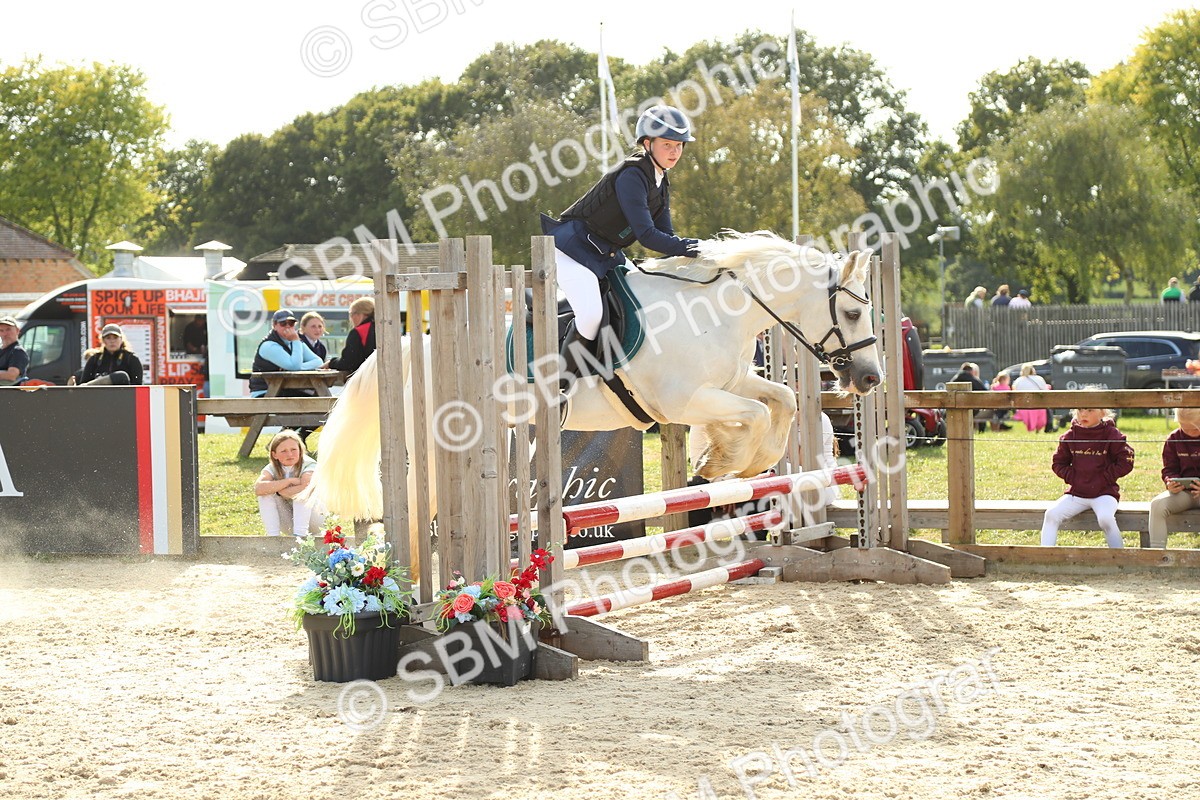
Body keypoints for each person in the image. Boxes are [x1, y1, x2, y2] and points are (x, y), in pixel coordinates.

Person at [540, 104, 701, 381]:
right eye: (667, 145)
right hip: (572, 250)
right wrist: (691, 246)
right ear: (647, 144)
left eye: (679, 145)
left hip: (605, 254)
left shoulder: (660, 180)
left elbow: (667, 236)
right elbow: (647, 235)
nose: (675, 152)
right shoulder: (633, 175)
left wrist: (693, 251)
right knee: (590, 317)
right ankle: (559, 387)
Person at [1039, 407, 1134, 548]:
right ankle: (1044, 557)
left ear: (1102, 412)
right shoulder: (1070, 436)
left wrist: (1105, 478)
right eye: (1080, 410)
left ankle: (1119, 558)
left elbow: (1126, 461)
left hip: (1105, 494)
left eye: (1090, 410)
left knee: (1105, 518)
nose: (1083, 414)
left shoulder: (1112, 435)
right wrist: (1075, 479)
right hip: (1077, 494)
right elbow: (1058, 463)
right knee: (1051, 514)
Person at [253, 429, 324, 537]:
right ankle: (273, 537)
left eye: (293, 449)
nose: (289, 454)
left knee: (300, 494)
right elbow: (259, 489)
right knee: (265, 495)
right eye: (283, 451)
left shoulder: (309, 464)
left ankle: (300, 536)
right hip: (289, 521)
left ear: (300, 450)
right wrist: (289, 481)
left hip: (314, 520)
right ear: (274, 454)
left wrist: (277, 489)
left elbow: (305, 487)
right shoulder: (272, 468)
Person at [1147, 407, 1200, 548]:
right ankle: (1157, 555)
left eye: (1194, 429)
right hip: (1184, 493)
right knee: (1157, 505)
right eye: (1184, 427)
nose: (1188, 433)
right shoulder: (1174, 439)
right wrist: (1171, 482)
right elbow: (1169, 469)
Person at [250, 309, 323, 396]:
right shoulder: (269, 345)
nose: (288, 326)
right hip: (265, 392)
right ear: (274, 325)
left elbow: (318, 361)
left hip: (285, 389)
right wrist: (295, 341)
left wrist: (299, 367)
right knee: (312, 401)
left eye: (291, 323)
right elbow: (294, 366)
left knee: (319, 397)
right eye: (283, 323)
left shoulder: (295, 343)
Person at [72, 323, 144, 386]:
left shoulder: (131, 359)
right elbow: (84, 384)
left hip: (123, 398)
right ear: (103, 340)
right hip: (98, 398)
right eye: (108, 338)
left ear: (121, 339)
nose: (112, 341)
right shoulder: (94, 359)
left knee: (121, 376)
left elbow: (138, 386)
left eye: (115, 338)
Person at [324, 297, 375, 375]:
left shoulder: (358, 332)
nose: (351, 318)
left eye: (351, 314)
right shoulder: (384, 328)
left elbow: (348, 363)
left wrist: (331, 363)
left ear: (360, 314)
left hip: (367, 378)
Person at [1011, 363, 1049, 432]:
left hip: (1023, 407)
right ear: (1032, 370)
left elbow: (1014, 392)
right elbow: (1045, 391)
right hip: (1038, 406)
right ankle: (1042, 429)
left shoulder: (1018, 381)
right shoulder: (1039, 379)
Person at [0, 315, 28, 386]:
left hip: (11, 395)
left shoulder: (18, 351)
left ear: (17, 331)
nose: (5, 334)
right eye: (1, 330)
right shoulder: (1, 350)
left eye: (8, 329)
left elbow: (11, 375)